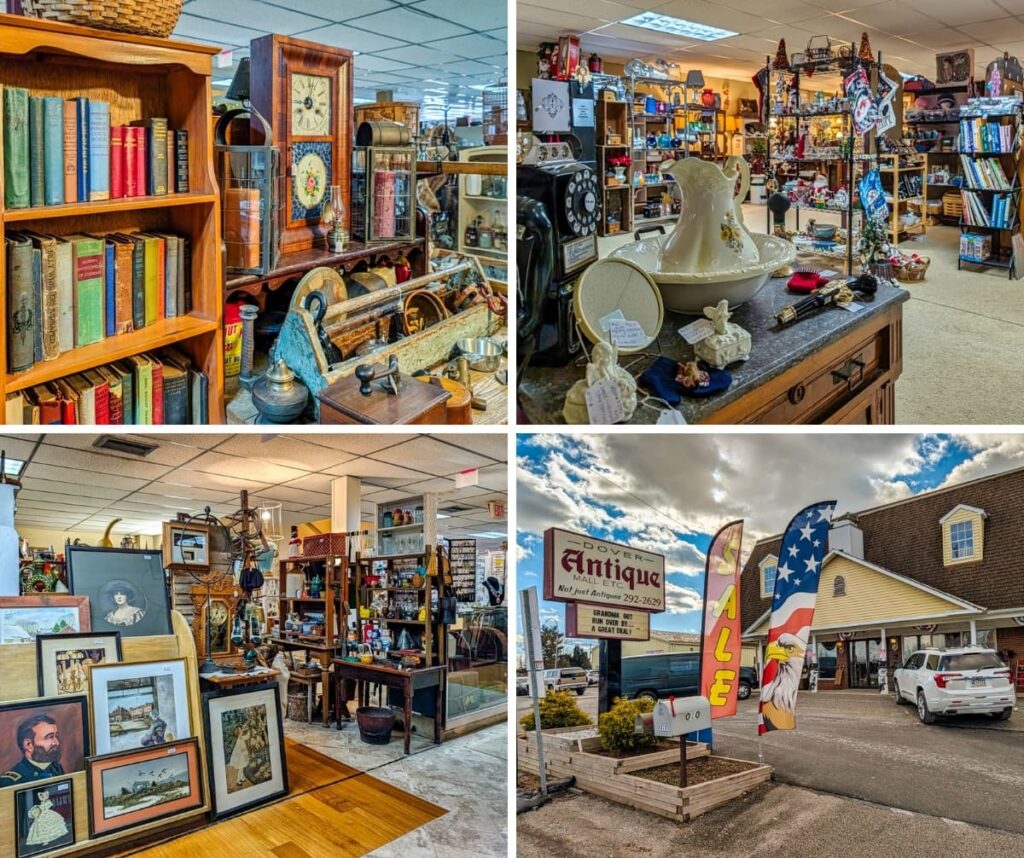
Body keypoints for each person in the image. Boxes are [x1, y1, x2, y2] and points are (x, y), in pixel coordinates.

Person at [0, 714, 63, 787]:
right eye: (49, 737)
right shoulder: (10, 781)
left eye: (56, 736)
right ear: (28, 745)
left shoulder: (56, 768)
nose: (57, 743)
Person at [226, 724, 250, 789]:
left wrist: (248, 730)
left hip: (241, 755)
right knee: (240, 768)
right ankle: (238, 780)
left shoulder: (241, 737)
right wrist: (246, 754)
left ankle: (242, 778)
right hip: (240, 757)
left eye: (241, 729)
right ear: (238, 733)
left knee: (242, 768)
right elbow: (242, 748)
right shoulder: (240, 739)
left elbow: (247, 736)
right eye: (240, 730)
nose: (242, 730)